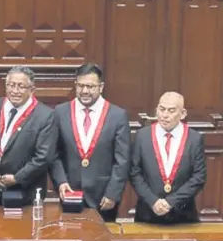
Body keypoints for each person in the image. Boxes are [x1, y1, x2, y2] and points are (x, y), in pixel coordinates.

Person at [51, 63, 130, 221]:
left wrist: (112, 193)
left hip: (103, 197)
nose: (85, 91)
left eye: (90, 86)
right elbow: (53, 153)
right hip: (70, 193)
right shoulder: (60, 112)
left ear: (101, 87)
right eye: (81, 86)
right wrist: (60, 181)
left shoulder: (117, 115)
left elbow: (122, 160)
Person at [130, 92, 206, 224]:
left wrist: (171, 202)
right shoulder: (142, 136)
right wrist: (153, 201)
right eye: (161, 109)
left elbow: (199, 177)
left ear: (182, 114)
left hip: (183, 214)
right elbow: (134, 173)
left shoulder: (194, 138)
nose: (165, 115)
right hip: (147, 213)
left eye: (171, 111)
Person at [0, 66, 56, 207]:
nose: (15, 91)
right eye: (11, 85)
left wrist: (17, 178)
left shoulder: (45, 115)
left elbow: (43, 157)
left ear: (32, 89)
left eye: (21, 86)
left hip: (27, 191)